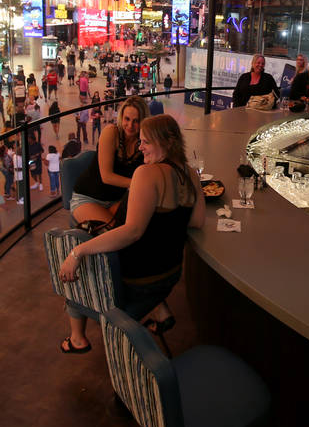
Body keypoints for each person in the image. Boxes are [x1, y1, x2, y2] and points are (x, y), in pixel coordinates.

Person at [58, 114, 205, 353]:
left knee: (73, 262)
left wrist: (77, 252)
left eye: (146, 141)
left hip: (137, 280)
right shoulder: (191, 174)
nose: (140, 147)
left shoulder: (146, 174)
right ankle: (157, 309)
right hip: (170, 276)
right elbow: (197, 221)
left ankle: (77, 339)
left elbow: (132, 232)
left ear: (166, 142)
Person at [69, 96, 147, 222]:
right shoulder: (111, 132)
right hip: (88, 198)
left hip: (116, 200)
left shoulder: (143, 142)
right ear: (121, 117)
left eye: (136, 121)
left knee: (137, 227)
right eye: (127, 119)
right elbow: (107, 177)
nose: (130, 125)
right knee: (114, 233)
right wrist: (141, 185)